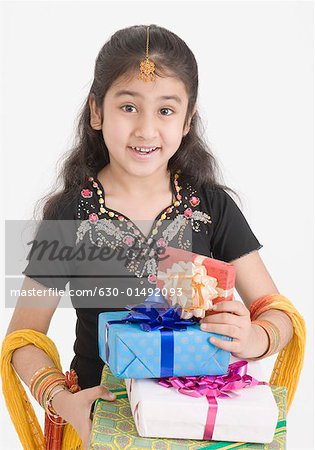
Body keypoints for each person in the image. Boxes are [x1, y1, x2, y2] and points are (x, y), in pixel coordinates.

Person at [1, 24, 305, 450]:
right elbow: (22, 339)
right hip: (99, 425)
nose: (146, 130)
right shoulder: (69, 215)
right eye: (128, 107)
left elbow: (279, 314)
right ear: (96, 111)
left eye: (165, 110)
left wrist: (256, 337)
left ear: (187, 119)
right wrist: (64, 401)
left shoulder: (211, 209)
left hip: (197, 426)